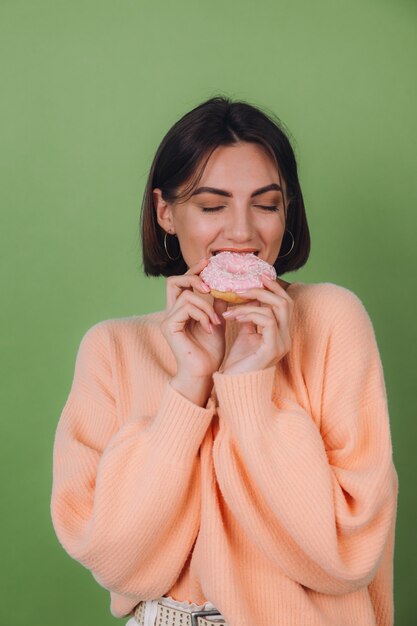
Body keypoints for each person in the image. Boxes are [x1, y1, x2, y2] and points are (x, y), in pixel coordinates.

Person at [50, 96, 398, 626]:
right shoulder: (111, 350)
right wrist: (189, 386)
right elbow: (116, 561)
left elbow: (343, 556)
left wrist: (247, 384)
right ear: (166, 211)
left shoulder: (331, 321)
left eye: (266, 204)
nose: (242, 233)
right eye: (212, 206)